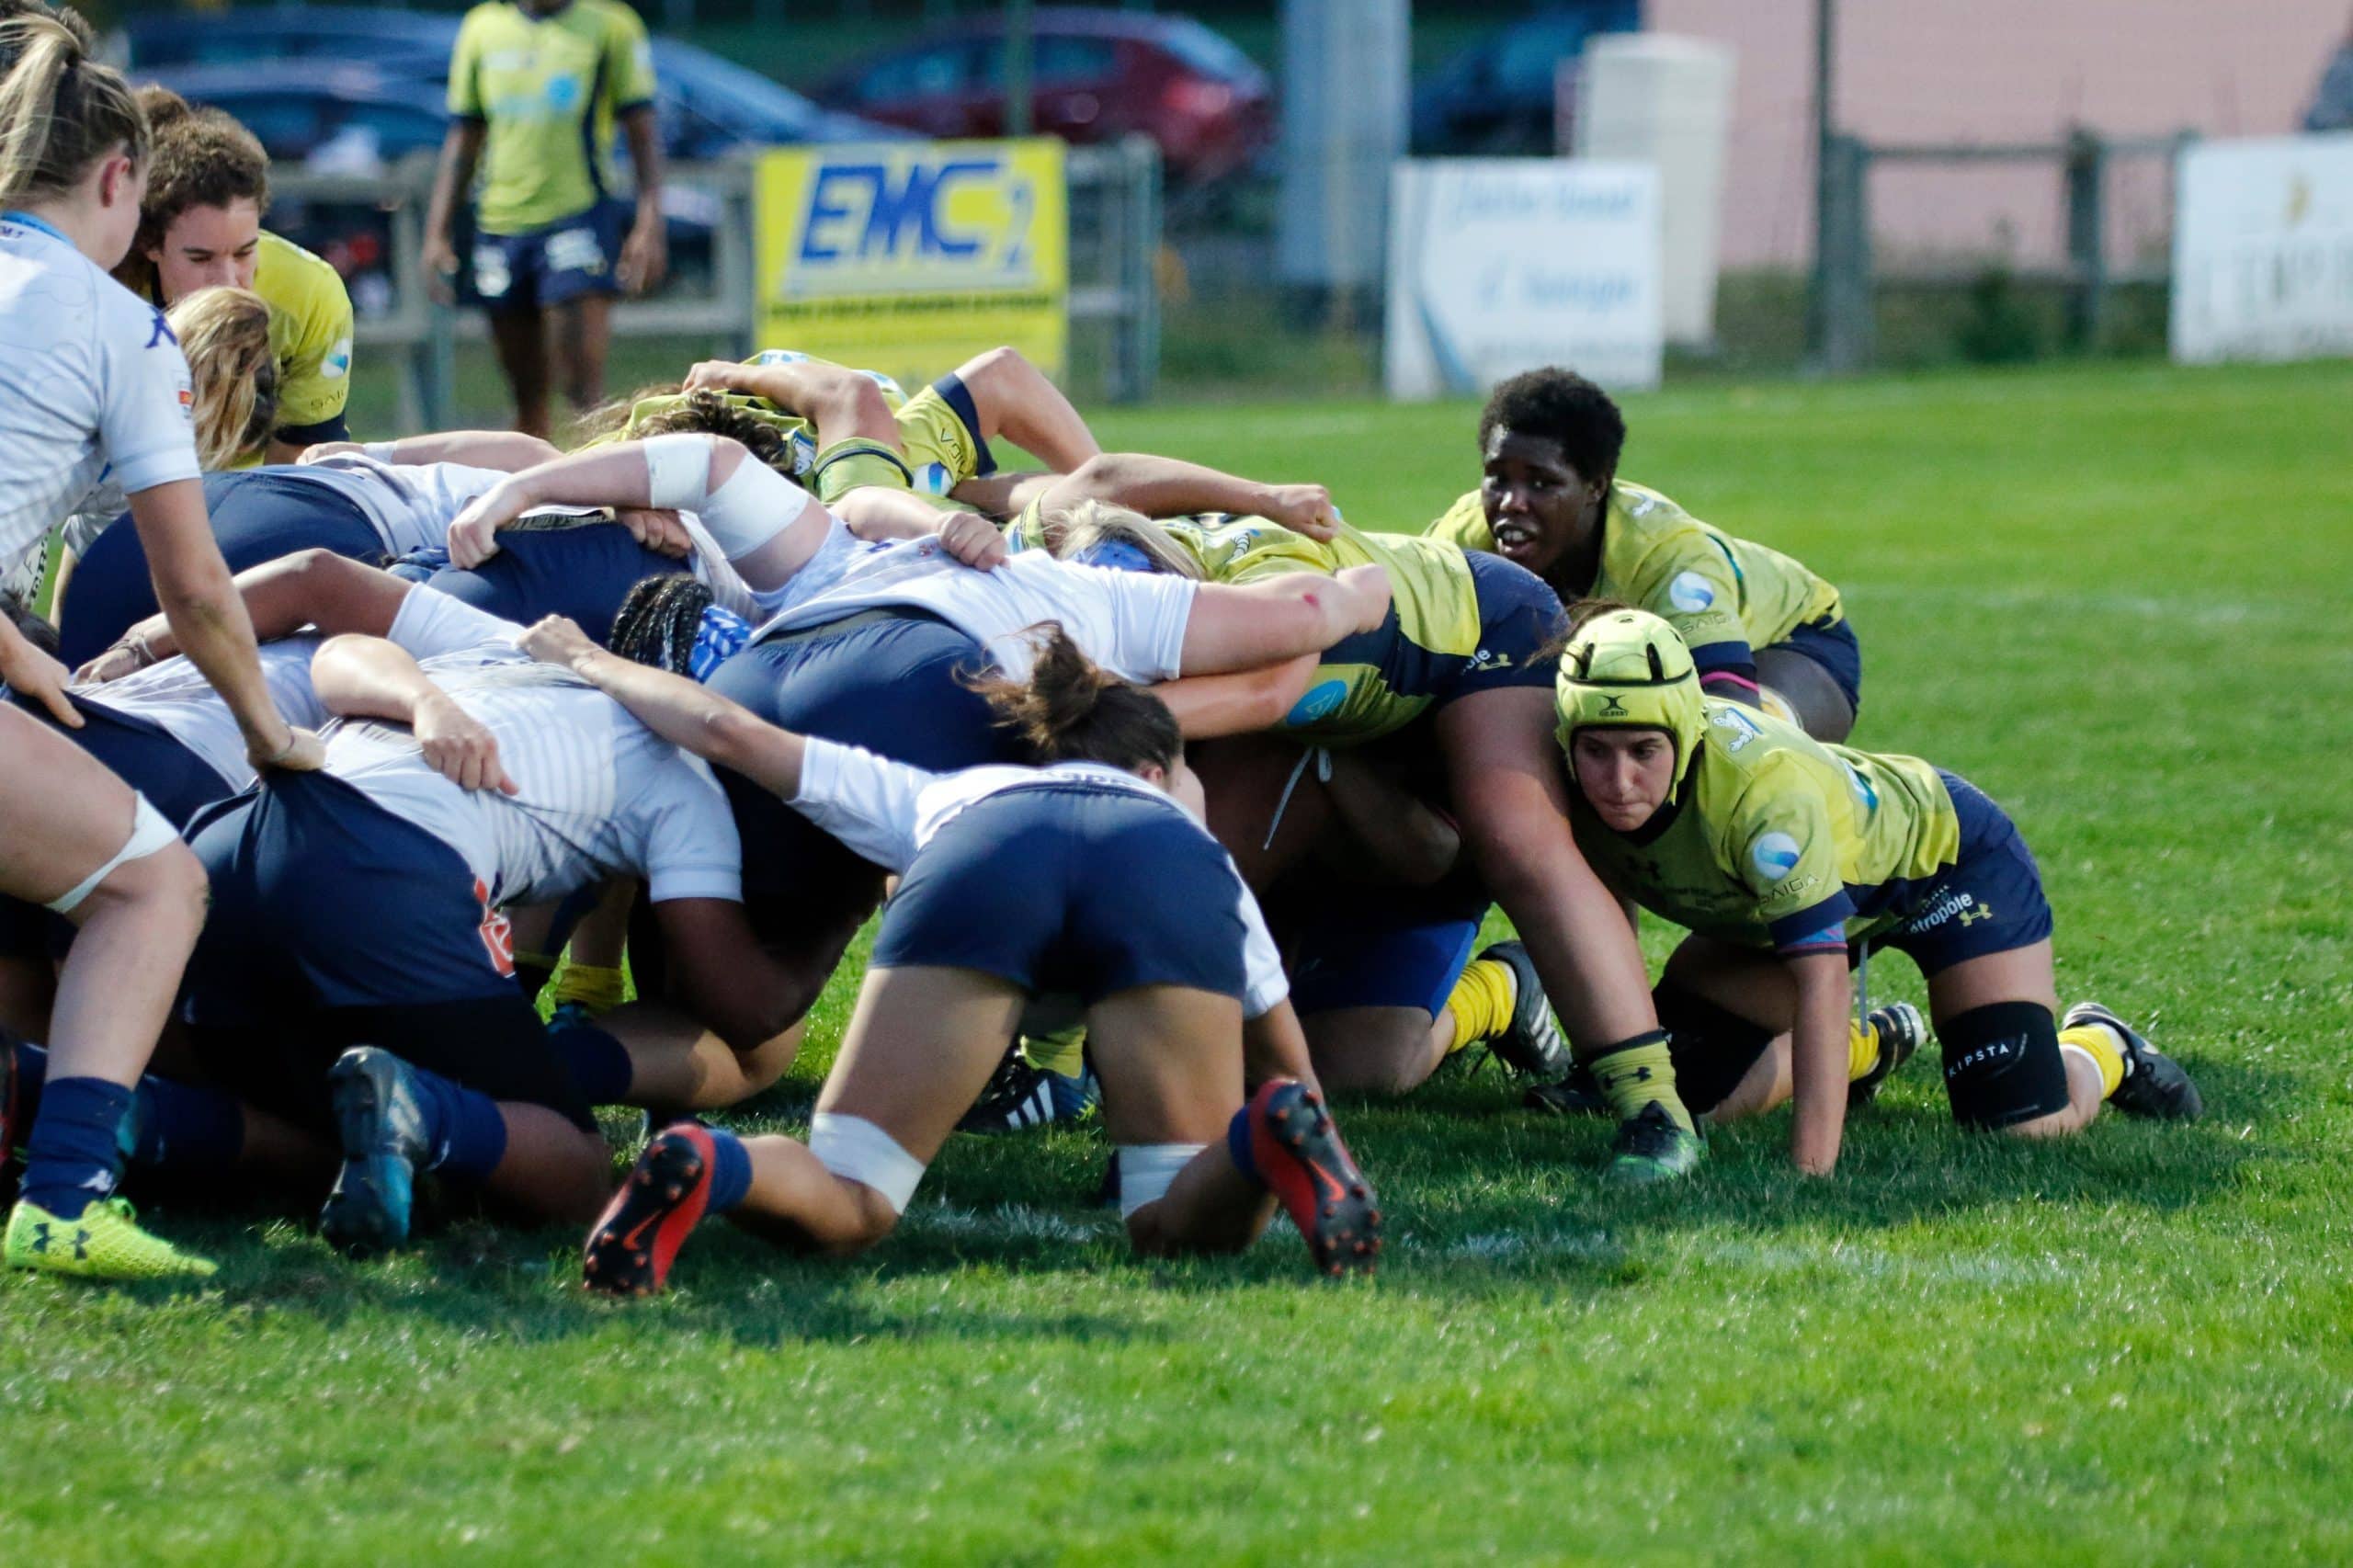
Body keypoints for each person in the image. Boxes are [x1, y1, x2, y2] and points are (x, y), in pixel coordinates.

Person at [516, 615, 1380, 1292]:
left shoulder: (955, 788)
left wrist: (585, 655)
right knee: (1166, 1220)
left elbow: (731, 731)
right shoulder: (1192, 845)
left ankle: (712, 1160)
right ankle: (1266, 1145)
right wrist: (1290, 1112)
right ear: (1157, 773)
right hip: (1159, 875)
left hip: (985, 849)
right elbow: (1288, 1068)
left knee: (850, 1195)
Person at [1015, 459, 1711, 1182]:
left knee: (1511, 832)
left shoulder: (1264, 587)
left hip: (1477, 640)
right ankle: (1064, 1062)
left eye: (1142, 656)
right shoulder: (1042, 554)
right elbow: (1093, 474)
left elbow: (1269, 686)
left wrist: (1085, 716)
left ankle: (1654, 1106)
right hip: (1324, 737)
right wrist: (955, 515)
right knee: (1359, 1063)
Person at [177, 585, 805, 1254]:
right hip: (389, 871)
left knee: (292, 1108)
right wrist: (824, 919)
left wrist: (425, 700)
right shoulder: (683, 785)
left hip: (227, 842)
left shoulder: (506, 648)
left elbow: (340, 654)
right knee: (577, 1176)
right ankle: (428, 1113)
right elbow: (736, 1010)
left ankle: (139, 1115)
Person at [0, 11, 321, 1280]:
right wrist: (269, 731)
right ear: (121, 179)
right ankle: (66, 1196)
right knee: (153, 881)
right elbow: (195, 586)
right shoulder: (119, 322)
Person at [1542, 607, 2202, 1176]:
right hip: (1784, 914)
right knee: (1688, 1100)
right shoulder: (1552, 783)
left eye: (1643, 751)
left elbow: (1821, 980)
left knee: (2017, 1124)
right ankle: (1869, 1047)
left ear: (1685, 736)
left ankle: (2101, 1046)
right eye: (1596, 750)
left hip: (1946, 866)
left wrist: (1810, 1174)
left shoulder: (1759, 791)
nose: (1619, 780)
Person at [1427, 368, 1863, 742]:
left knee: (1731, 747)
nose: (1511, 503)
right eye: (1497, 478)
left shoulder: (1665, 556)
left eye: (1541, 483)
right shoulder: (1462, 539)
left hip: (1791, 641)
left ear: (1596, 486)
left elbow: (1730, 706)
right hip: (1641, 663)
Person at [425, 0, 665, 437]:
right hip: (501, 223)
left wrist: (650, 222)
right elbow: (466, 133)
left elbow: (642, 131)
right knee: (526, 393)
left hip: (577, 218)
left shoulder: (609, 26)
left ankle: (605, 495)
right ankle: (537, 497)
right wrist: (437, 231)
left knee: (583, 390)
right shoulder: (482, 27)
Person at [115, 88, 355, 461]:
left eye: (245, 252)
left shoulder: (310, 293)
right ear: (150, 242)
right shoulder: (108, 288)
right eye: (200, 258)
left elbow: (298, 462)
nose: (227, 281)